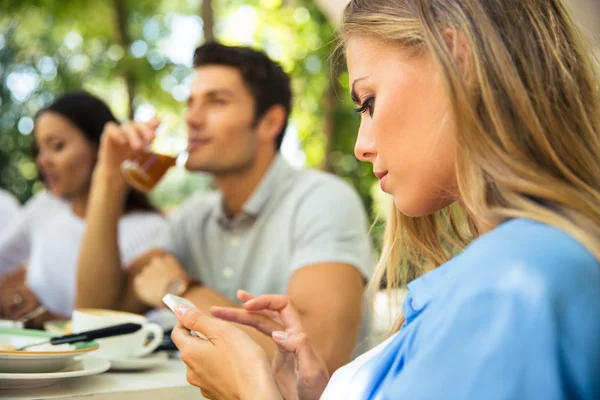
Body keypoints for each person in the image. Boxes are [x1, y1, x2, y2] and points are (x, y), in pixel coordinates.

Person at [170, 0, 600, 399]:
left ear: (457, 60)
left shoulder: (514, 284)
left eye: (369, 102)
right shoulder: (504, 271)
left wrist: (250, 387)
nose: (361, 146)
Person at [76, 42, 373, 373]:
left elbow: (317, 361)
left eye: (217, 101)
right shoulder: (194, 216)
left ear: (269, 123)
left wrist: (180, 290)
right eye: (190, 103)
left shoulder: (322, 200)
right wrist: (107, 181)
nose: (191, 118)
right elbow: (93, 316)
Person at [0, 92, 166, 327]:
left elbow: (126, 322)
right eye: (39, 149)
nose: (42, 161)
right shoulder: (45, 207)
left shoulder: (151, 230)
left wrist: (52, 320)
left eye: (57, 146)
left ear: (100, 146)